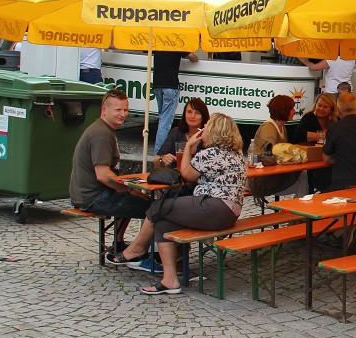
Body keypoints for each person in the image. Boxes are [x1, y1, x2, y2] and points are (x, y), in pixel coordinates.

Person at [116, 114, 247, 295]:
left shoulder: (210, 153)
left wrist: (188, 147)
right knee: (163, 223)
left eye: (207, 126)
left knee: (157, 206)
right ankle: (170, 280)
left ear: (215, 132)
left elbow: (186, 175)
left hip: (214, 207)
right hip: (228, 212)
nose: (203, 130)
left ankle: (135, 249)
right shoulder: (236, 152)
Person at [71, 90, 151, 235]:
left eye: (125, 110)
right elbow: (103, 175)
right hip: (93, 198)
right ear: (104, 110)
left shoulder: (102, 128)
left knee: (134, 198)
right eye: (118, 110)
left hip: (85, 195)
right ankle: (136, 251)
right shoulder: (101, 134)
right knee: (155, 210)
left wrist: (129, 189)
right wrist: (128, 189)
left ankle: (118, 245)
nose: (123, 114)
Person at [249, 95, 304, 200]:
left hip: (275, 177)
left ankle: (299, 211)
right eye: (291, 108)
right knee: (304, 177)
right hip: (264, 182)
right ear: (284, 110)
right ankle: (299, 212)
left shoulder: (282, 128)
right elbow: (268, 156)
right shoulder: (268, 128)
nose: (294, 111)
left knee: (305, 177)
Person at [151, 51, 198, 156]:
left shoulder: (158, 42)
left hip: (157, 85)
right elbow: (194, 58)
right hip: (171, 86)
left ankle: (159, 150)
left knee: (162, 118)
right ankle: (159, 153)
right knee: (165, 122)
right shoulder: (176, 44)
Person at [154, 98, 209, 168]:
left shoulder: (208, 136)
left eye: (197, 113)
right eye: (189, 112)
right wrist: (162, 159)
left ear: (203, 116)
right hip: (175, 176)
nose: (192, 116)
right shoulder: (176, 132)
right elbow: (156, 160)